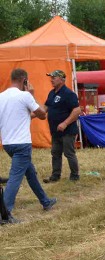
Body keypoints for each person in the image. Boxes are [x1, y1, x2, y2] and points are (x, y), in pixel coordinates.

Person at [0, 68, 57, 224]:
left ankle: (45, 201)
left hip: (8, 144)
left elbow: (20, 117)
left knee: (30, 172)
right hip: (22, 144)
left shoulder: (1, 97)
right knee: (15, 179)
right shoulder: (25, 96)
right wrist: (32, 94)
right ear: (24, 80)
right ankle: (4, 214)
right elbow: (42, 114)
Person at [42, 69, 81, 183]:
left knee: (69, 153)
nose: (51, 80)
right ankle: (55, 175)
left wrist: (65, 123)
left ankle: (74, 175)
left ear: (62, 79)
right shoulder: (52, 93)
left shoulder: (69, 94)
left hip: (68, 130)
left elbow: (77, 110)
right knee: (55, 153)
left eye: (54, 77)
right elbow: (45, 108)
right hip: (55, 130)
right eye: (51, 77)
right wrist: (32, 115)